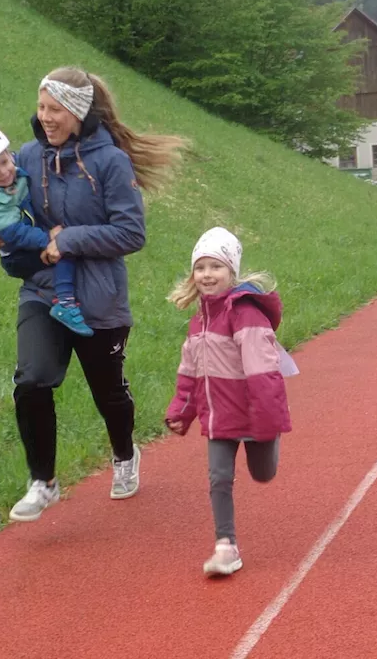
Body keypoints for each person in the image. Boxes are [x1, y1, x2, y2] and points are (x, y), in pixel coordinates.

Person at [0, 67, 185, 521]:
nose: (44, 117)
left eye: (54, 109)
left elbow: (131, 233)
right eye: (40, 107)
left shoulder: (111, 162)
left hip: (99, 298)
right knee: (31, 381)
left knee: (108, 393)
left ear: (76, 111)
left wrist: (68, 240)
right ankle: (43, 481)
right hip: (42, 291)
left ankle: (125, 453)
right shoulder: (27, 157)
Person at [165, 227, 292, 576]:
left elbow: (263, 371)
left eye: (216, 267)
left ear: (231, 272)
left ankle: (272, 442)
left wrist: (269, 418)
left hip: (255, 413)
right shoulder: (198, 323)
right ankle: (226, 545)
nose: (207, 275)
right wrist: (182, 411)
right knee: (218, 477)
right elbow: (190, 373)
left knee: (263, 473)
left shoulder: (246, 314)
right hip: (219, 417)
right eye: (201, 267)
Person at [0, 124, 92, 336]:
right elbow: (13, 232)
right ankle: (65, 303)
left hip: (27, 234)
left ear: (9, 153)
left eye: (5, 162)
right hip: (18, 254)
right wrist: (48, 239)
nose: (3, 172)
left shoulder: (17, 166)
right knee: (63, 251)